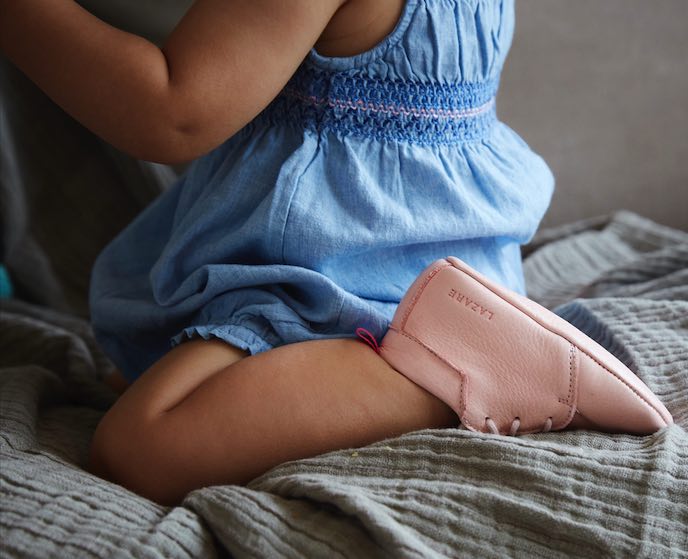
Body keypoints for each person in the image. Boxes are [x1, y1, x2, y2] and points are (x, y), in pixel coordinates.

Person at [0, 0, 556, 505]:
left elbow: (174, 110)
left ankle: (454, 372)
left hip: (361, 275)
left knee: (140, 446)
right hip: (396, 246)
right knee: (148, 380)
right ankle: (447, 338)